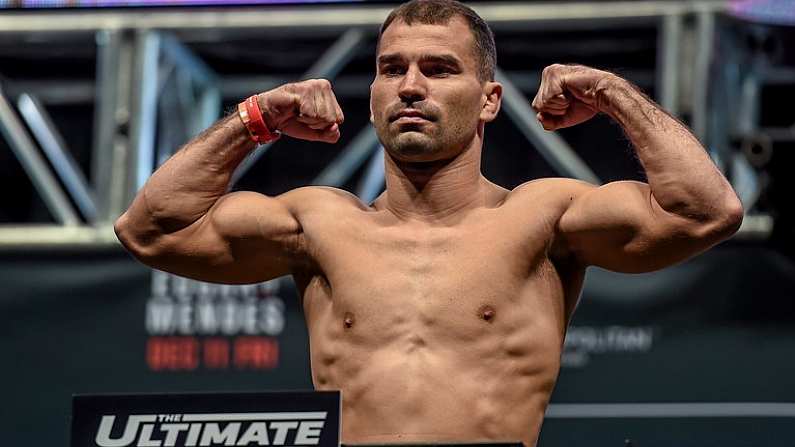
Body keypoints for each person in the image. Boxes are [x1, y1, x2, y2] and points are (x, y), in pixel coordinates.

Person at [114, 1, 744, 446]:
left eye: (439, 69)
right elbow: (152, 229)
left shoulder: (543, 216)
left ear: (489, 100)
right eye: (392, 69)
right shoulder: (318, 223)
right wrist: (255, 118)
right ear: (373, 95)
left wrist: (612, 93)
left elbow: (706, 209)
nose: (410, 86)